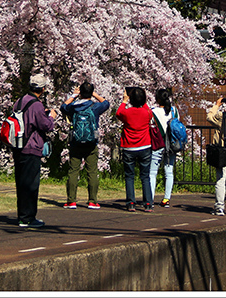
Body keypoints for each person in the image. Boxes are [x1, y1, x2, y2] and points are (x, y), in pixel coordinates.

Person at [11, 73, 56, 229]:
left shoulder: (19, 101)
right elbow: (45, 125)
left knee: (21, 183)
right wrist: (51, 117)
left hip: (18, 146)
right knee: (31, 184)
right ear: (42, 89)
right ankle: (28, 217)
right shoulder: (36, 105)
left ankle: (22, 215)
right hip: (31, 147)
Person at [60, 81, 110, 210]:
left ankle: (71, 201)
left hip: (76, 142)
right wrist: (94, 94)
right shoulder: (95, 107)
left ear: (80, 92)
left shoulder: (73, 107)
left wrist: (74, 95)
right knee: (92, 172)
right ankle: (92, 201)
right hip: (91, 143)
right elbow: (106, 103)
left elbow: (62, 107)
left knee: (73, 171)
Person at [116, 87, 154, 212]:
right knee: (145, 176)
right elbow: (148, 111)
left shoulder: (126, 113)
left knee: (129, 176)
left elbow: (118, 113)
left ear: (131, 99)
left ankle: (131, 202)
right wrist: (143, 101)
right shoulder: (147, 113)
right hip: (145, 146)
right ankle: (148, 203)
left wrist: (124, 101)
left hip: (129, 147)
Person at [149, 88, 178, 208]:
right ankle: (166, 199)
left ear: (157, 99)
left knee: (152, 173)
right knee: (169, 172)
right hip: (171, 145)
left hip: (158, 143)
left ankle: (150, 199)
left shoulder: (153, 111)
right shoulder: (174, 110)